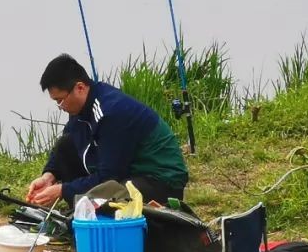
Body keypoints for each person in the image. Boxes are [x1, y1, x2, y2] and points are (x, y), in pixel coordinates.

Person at [26, 54, 189, 209]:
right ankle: (81, 209)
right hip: (127, 172)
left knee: (110, 199)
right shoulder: (82, 107)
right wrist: (50, 175)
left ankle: (86, 212)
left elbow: (109, 177)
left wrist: (63, 190)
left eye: (60, 100)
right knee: (66, 144)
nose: (60, 107)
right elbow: (69, 139)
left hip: (159, 180)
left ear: (80, 88)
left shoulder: (112, 112)